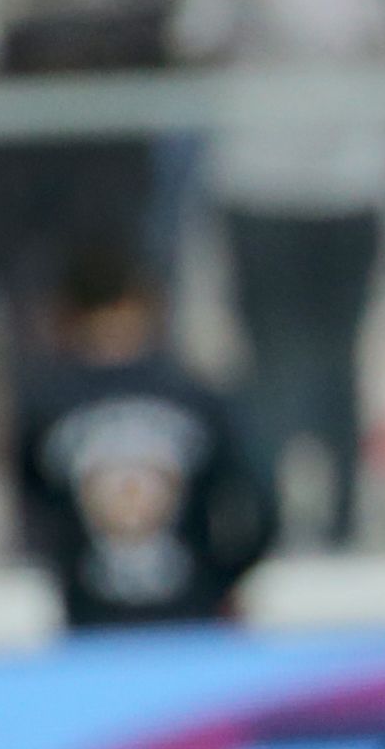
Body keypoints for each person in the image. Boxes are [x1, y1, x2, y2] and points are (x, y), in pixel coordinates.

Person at [14, 240, 277, 630]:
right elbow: (259, 498)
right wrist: (222, 578)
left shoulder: (45, 405)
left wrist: (67, 571)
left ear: (66, 313)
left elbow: (32, 509)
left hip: (90, 624)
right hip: (193, 617)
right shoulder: (195, 396)